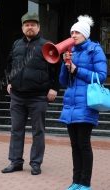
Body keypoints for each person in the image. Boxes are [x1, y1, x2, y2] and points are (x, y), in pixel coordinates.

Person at [1, 12, 61, 175]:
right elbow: (8, 65)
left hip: (38, 96)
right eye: (27, 25)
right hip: (18, 95)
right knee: (16, 129)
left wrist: (54, 88)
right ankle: (16, 161)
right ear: (22, 27)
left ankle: (36, 163)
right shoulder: (16, 45)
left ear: (38, 27)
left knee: (38, 131)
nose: (30, 27)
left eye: (33, 25)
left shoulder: (47, 45)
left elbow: (57, 69)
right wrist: (9, 81)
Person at [59, 15, 107, 190]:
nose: (73, 35)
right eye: (72, 32)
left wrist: (77, 69)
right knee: (75, 146)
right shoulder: (71, 51)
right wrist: (65, 65)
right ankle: (76, 181)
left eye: (77, 32)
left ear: (85, 34)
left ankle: (85, 183)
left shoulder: (95, 50)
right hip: (71, 105)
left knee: (84, 144)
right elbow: (64, 81)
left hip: (86, 104)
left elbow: (101, 77)